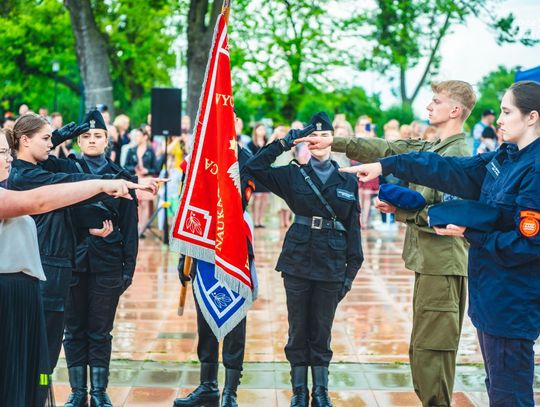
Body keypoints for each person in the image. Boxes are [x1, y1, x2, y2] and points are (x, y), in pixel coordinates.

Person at [345, 80, 540, 406]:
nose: (499, 120)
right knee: (497, 389)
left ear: (532, 117)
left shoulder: (534, 169)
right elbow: (445, 168)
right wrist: (385, 165)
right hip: (489, 299)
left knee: (510, 396)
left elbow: (528, 245)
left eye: (507, 112)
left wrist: (472, 233)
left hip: (512, 304)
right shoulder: (504, 158)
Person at [297, 81, 476, 407]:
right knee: (422, 347)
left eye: (436, 101)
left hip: (443, 264)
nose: (428, 106)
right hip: (430, 262)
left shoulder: (457, 154)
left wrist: (400, 211)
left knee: (433, 349)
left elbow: (448, 216)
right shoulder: (435, 147)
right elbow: (389, 149)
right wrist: (335, 141)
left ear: (454, 110)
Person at [0, 127, 146, 407]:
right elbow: (50, 193)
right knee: (43, 355)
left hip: (59, 274)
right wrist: (104, 184)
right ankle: (62, 393)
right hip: (43, 277)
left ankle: (85, 392)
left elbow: (121, 225)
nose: (8, 158)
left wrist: (124, 264)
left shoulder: (19, 176)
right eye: (2, 152)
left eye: (98, 135)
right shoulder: (28, 175)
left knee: (54, 352)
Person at [246, 112, 363, 407]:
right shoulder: (293, 174)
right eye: (313, 136)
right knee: (298, 330)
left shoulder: (347, 180)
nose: (318, 141)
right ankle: (299, 391)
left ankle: (321, 391)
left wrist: (349, 276)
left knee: (321, 331)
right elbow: (253, 167)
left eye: (324, 136)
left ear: (333, 140)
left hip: (332, 263)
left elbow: (354, 230)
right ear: (306, 142)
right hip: (297, 261)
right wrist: (285, 142)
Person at [60, 109, 140, 407]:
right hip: (73, 261)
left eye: (97, 135)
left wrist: (128, 270)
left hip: (108, 263)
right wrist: (86, 232)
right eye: (86, 136)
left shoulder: (122, 177)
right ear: (78, 142)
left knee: (101, 330)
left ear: (108, 140)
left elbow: (130, 228)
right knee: (73, 329)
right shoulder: (66, 172)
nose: (92, 140)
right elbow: (58, 217)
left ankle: (98, 390)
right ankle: (77, 391)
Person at [173, 139, 255, 407]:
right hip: (201, 249)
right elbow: (187, 207)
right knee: (206, 320)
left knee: (234, 320)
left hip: (233, 250)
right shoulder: (196, 158)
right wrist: (184, 253)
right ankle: (208, 386)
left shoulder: (243, 157)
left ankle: (230, 391)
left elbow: (239, 202)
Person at [124, 126, 159, 235]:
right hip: (135, 179)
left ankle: (142, 229)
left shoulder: (150, 151)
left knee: (145, 204)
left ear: (145, 137)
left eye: (139, 135)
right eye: (136, 136)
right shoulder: (131, 150)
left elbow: (156, 168)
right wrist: (134, 169)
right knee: (136, 204)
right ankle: (137, 227)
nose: (136, 138)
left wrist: (147, 170)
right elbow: (125, 166)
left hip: (147, 179)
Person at [246, 123, 270, 228]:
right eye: (260, 129)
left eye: (263, 129)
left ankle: (261, 220)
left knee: (265, 197)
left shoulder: (267, 142)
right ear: (255, 131)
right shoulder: (251, 144)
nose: (262, 131)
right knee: (257, 197)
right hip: (256, 173)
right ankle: (255, 221)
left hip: (266, 172)